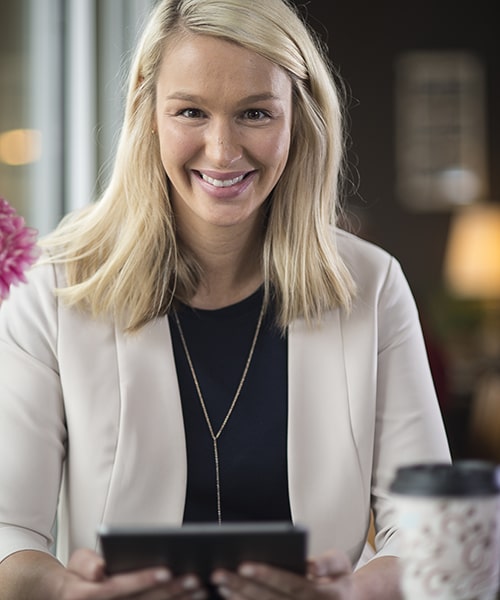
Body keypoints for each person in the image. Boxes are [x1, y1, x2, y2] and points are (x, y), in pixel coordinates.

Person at [0, 0, 451, 598]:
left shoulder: (372, 285)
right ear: (149, 114)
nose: (221, 150)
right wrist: (61, 592)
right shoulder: (53, 288)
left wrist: (355, 594)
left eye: (255, 114)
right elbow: (9, 530)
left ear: (299, 118)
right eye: (190, 111)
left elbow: (433, 532)